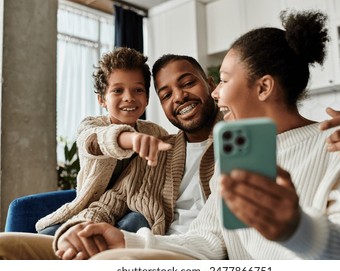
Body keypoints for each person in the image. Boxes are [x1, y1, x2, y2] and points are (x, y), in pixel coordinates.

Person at [67, 9, 340, 260]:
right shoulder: (236, 155)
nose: (216, 92)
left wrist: (297, 229)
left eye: (222, 79)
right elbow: (209, 240)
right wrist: (123, 240)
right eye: (165, 94)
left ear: (263, 87)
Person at [0, 54, 222, 259]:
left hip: (153, 241)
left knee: (136, 218)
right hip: (92, 212)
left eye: (188, 83)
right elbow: (98, 145)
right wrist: (81, 228)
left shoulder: (160, 138)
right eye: (166, 94)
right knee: (8, 245)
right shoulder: (152, 143)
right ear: (102, 100)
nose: (179, 96)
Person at [36, 47, 172, 236]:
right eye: (118, 90)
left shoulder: (155, 132)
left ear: (147, 98)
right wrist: (130, 138)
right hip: (89, 211)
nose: (129, 97)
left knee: (137, 223)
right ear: (102, 99)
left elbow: (176, 150)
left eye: (138, 90)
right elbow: (93, 141)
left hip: (133, 210)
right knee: (47, 238)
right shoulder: (90, 125)